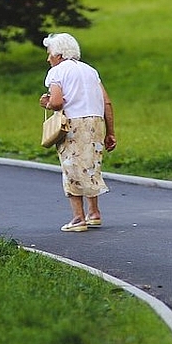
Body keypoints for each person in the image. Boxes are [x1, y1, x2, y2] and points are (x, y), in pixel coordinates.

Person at [39, 33, 117, 232]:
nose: (48, 59)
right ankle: (94, 213)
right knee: (90, 166)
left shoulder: (57, 72)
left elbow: (56, 102)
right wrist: (111, 133)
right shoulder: (90, 71)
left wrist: (46, 103)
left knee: (72, 168)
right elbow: (107, 102)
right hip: (96, 122)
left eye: (49, 54)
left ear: (59, 54)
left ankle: (78, 218)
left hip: (73, 124)